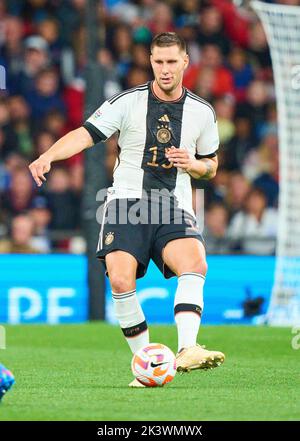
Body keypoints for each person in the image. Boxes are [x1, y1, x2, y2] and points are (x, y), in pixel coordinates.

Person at [29, 32, 225, 387]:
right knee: (119, 279)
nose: (164, 70)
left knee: (195, 262)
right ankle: (147, 363)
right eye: (158, 62)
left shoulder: (202, 112)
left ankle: (188, 348)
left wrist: (194, 165)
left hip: (173, 204)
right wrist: (48, 156)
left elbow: (211, 165)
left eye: (171, 62)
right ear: (150, 62)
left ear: (185, 62)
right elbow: (85, 134)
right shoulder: (127, 101)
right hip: (126, 202)